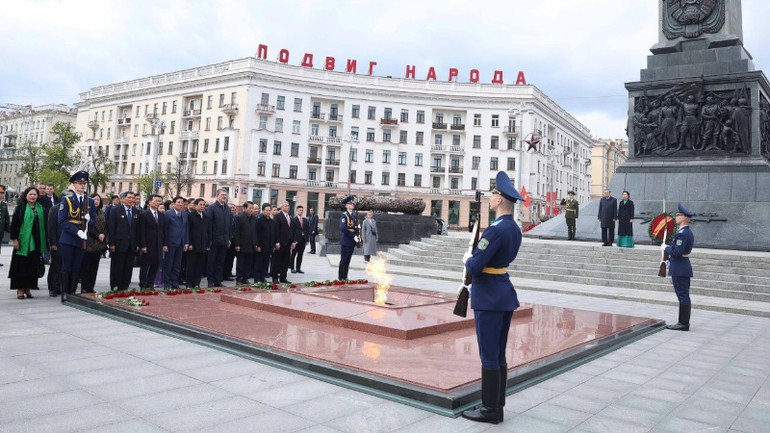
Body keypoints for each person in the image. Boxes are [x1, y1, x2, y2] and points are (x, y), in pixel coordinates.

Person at [461, 171, 523, 424]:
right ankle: (496, 404)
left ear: (499, 201)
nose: (490, 196)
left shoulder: (495, 231)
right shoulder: (513, 228)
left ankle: (490, 410)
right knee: (498, 353)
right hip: (503, 292)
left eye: (493, 194)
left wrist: (468, 259)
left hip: (488, 297)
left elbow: (475, 267)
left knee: (488, 353)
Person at [57, 171, 97, 296]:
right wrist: (77, 231)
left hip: (82, 239)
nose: (82, 185)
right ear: (73, 185)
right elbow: (62, 220)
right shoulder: (67, 200)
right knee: (67, 266)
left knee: (77, 266)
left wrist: (90, 220)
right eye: (79, 183)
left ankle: (72, 292)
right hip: (69, 238)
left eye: (84, 183)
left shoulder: (89, 201)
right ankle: (65, 292)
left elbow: (94, 219)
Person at [9, 186, 48, 299]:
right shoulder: (20, 208)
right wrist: (15, 239)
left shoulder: (40, 208)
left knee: (32, 266)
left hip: (36, 242)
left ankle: (28, 288)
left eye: (34, 194)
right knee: (21, 266)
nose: (32, 196)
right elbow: (14, 225)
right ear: (26, 195)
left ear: (37, 196)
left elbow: (44, 226)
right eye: (30, 194)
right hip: (23, 241)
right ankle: (20, 289)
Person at [663, 204, 695, 331]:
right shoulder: (684, 232)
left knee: (682, 296)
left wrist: (666, 248)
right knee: (683, 295)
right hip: (681, 267)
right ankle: (683, 322)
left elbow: (677, 252)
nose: (676, 217)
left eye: (678, 215)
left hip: (680, 268)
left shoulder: (683, 234)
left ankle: (683, 323)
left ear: (684, 218)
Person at [107, 191, 140, 290]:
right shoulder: (116, 210)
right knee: (117, 267)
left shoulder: (136, 211)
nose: (131, 200)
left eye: (133, 198)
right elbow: (111, 228)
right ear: (123, 199)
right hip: (118, 244)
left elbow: (137, 229)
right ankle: (115, 286)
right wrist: (111, 243)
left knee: (128, 268)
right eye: (129, 198)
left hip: (131, 245)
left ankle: (125, 286)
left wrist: (137, 244)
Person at [80, 193, 107, 293]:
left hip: (99, 244)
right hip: (89, 242)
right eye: (94, 199)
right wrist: (97, 235)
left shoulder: (102, 213)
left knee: (94, 268)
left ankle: (91, 287)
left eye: (98, 200)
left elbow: (106, 225)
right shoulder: (87, 212)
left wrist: (104, 234)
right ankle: (85, 287)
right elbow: (87, 226)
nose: (96, 201)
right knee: (86, 267)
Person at [138, 194, 166, 289]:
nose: (158, 203)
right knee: (145, 265)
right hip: (148, 244)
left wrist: (164, 244)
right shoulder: (144, 215)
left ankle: (150, 284)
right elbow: (141, 231)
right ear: (149, 202)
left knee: (156, 265)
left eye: (159, 201)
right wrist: (143, 245)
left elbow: (163, 231)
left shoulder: (162, 215)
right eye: (156, 201)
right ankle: (143, 284)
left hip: (158, 244)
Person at [205, 188, 232, 287]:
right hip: (214, 240)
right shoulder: (212, 208)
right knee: (212, 261)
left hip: (224, 240)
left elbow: (229, 225)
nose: (224, 196)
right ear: (218, 196)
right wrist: (210, 240)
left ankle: (218, 280)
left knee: (220, 262)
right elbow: (209, 225)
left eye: (225, 195)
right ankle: (210, 281)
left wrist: (229, 238)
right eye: (222, 195)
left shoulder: (227, 208)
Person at [162, 196, 189, 289]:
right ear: (173, 204)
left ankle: (175, 282)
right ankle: (167, 283)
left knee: (177, 265)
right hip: (170, 243)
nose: (181, 204)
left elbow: (186, 229)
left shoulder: (185, 214)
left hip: (181, 243)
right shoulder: (168, 214)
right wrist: (164, 244)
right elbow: (164, 230)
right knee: (168, 264)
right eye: (178, 202)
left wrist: (186, 242)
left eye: (182, 203)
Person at [186, 198, 210, 288]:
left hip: (203, 245)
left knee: (200, 266)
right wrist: (190, 243)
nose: (202, 206)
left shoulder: (206, 216)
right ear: (195, 206)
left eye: (204, 205)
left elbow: (208, 231)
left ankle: (197, 283)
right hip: (193, 245)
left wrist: (208, 244)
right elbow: (189, 230)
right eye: (200, 204)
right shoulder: (191, 216)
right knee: (191, 265)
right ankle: (189, 283)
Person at [233, 201, 258, 285]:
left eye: (252, 208)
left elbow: (255, 232)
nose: (251, 210)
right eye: (250, 208)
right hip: (242, 244)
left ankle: (245, 278)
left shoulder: (254, 218)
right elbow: (236, 232)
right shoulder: (239, 217)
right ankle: (239, 279)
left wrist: (255, 243)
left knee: (248, 263)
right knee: (240, 263)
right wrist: (237, 244)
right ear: (244, 208)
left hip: (251, 245)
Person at [272, 200, 295, 283]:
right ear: (281, 207)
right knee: (277, 261)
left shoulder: (290, 217)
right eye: (285, 206)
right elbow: (276, 230)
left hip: (287, 242)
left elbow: (292, 230)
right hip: (280, 243)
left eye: (288, 206)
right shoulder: (278, 216)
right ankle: (275, 277)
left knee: (285, 261)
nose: (287, 207)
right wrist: (276, 242)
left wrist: (293, 241)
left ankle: (283, 277)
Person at [46, 193, 65, 296]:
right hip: (57, 243)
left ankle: (60, 287)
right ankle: (53, 288)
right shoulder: (54, 209)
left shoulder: (72, 210)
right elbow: (51, 227)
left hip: (67, 244)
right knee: (55, 266)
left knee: (64, 268)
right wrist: (52, 242)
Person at [338, 196, 357, 280]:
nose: (352, 205)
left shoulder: (353, 215)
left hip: (352, 242)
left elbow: (354, 227)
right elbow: (343, 228)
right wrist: (353, 236)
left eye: (353, 203)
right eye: (350, 203)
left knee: (348, 260)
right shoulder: (344, 215)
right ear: (346, 205)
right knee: (343, 260)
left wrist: (357, 234)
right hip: (346, 240)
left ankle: (345, 277)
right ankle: (341, 277)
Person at [254, 203, 273, 283]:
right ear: (263, 210)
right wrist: (257, 245)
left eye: (269, 210)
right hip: (261, 245)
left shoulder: (271, 220)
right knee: (259, 262)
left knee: (265, 262)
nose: (268, 212)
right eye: (267, 210)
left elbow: (272, 233)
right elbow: (256, 233)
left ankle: (262, 277)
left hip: (268, 245)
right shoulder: (259, 219)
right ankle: (257, 278)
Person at [291, 205, 309, 273]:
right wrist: (293, 240)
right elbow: (292, 231)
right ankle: (292, 268)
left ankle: (298, 268)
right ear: (296, 211)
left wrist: (307, 240)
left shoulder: (305, 220)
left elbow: (307, 230)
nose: (301, 211)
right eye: (299, 210)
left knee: (300, 255)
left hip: (303, 240)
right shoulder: (293, 220)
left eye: (302, 210)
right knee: (293, 254)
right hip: (296, 240)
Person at [0, 185, 10, 266]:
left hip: (1, 228)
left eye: (2, 193)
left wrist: (8, 228)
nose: (1, 194)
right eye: (0, 192)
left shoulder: (4, 204)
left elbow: (6, 217)